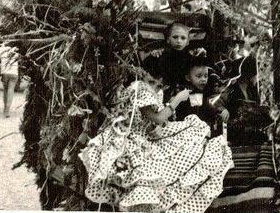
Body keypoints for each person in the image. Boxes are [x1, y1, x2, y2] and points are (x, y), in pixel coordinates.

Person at [79, 77, 233, 212]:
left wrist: (158, 126)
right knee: (159, 165)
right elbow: (158, 117)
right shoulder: (141, 87)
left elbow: (155, 121)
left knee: (190, 136)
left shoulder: (151, 87)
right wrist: (177, 100)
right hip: (135, 137)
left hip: (146, 133)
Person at [215, 55, 269, 146]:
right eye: (255, 75)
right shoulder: (232, 88)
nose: (257, 78)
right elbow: (216, 103)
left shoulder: (253, 90)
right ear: (249, 74)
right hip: (234, 131)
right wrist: (223, 110)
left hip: (249, 131)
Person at [0, 44, 18, 118]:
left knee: (5, 90)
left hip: (5, 73)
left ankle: (5, 108)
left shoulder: (1, 49)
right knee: (11, 90)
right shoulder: (17, 50)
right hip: (14, 73)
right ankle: (7, 110)